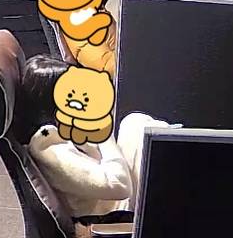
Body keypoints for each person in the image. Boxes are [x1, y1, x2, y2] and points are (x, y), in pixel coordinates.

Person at [17, 55, 170, 219]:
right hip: (115, 212)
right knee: (140, 129)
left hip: (116, 200)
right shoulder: (48, 147)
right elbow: (119, 185)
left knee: (134, 122)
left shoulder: (58, 133)